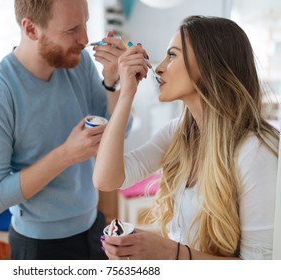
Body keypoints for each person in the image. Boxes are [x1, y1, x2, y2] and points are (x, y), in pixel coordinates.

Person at [93, 15, 279, 260]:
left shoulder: (257, 152)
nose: (158, 68)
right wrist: (127, 92)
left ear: (209, 63)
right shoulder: (180, 131)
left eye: (172, 55)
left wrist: (170, 252)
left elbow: (261, 269)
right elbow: (107, 179)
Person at [0, 0, 131, 260]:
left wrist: (112, 82)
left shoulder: (79, 62)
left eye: (85, 23)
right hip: (40, 246)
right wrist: (67, 154)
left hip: (93, 226)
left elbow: (120, 133)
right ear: (31, 30)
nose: (85, 38)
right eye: (71, 29)